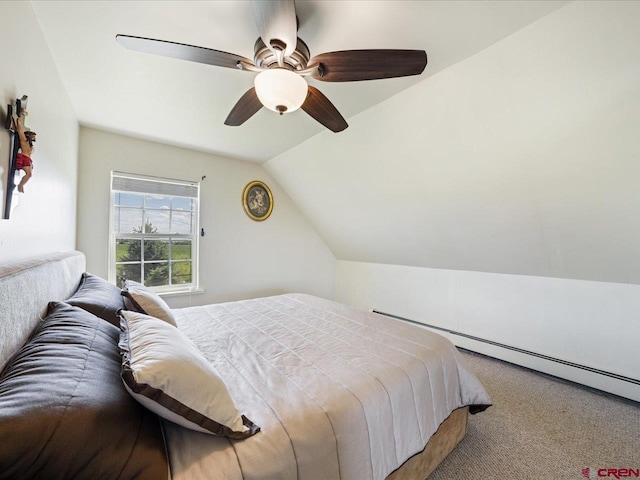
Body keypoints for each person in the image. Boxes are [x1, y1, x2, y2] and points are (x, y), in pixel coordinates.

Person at [14, 113, 36, 193]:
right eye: (33, 136)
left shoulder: (30, 145)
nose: (34, 138)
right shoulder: (24, 141)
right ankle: (20, 185)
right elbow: (20, 131)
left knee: (29, 174)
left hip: (28, 160)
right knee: (29, 174)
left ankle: (21, 185)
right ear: (28, 135)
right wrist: (19, 121)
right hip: (24, 158)